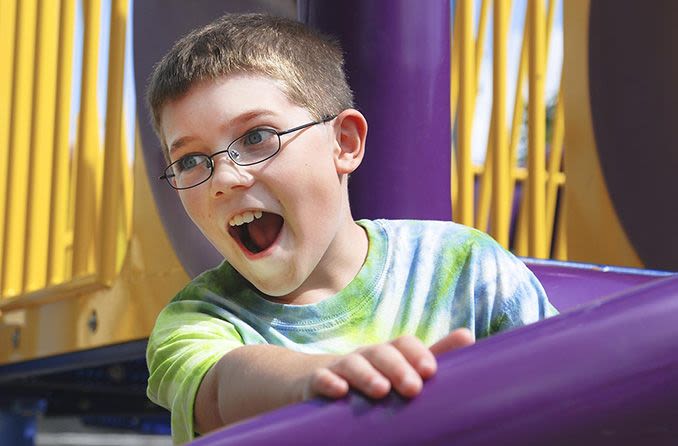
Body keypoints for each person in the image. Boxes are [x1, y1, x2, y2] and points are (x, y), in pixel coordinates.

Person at [145, 13, 558, 444]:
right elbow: (219, 392)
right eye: (190, 161)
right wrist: (319, 380)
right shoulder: (196, 320)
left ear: (344, 143)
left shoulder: (465, 267)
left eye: (256, 137)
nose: (224, 179)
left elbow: (568, 386)